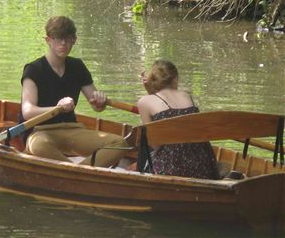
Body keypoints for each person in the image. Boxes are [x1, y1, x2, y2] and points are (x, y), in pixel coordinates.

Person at [20, 16, 127, 167]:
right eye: (58, 38)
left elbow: (97, 106)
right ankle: (83, 171)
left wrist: (100, 100)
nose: (63, 43)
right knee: (39, 146)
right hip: (40, 132)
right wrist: (58, 108)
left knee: (120, 143)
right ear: (48, 40)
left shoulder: (77, 67)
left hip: (72, 130)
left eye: (68, 38)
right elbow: (28, 111)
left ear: (74, 39)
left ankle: (79, 171)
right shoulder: (34, 69)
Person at [137, 59, 219, 179]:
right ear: (175, 79)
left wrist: (150, 92)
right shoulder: (187, 96)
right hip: (204, 166)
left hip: (172, 168)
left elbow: (156, 145)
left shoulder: (144, 101)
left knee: (144, 144)